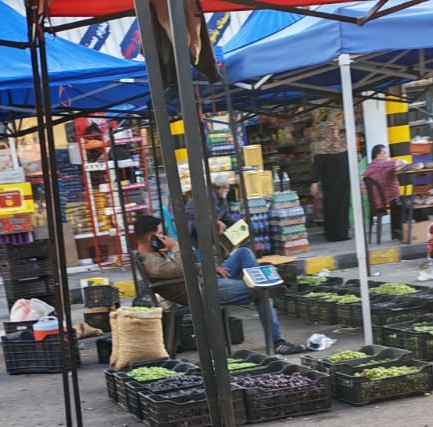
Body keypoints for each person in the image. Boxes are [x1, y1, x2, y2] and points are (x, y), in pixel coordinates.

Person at [132, 214, 305, 355]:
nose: (165, 238)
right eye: (161, 235)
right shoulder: (152, 263)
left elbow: (185, 268)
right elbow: (182, 268)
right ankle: (277, 341)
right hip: (203, 292)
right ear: (150, 238)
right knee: (261, 291)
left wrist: (209, 267)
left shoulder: (154, 256)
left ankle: (257, 281)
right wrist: (175, 246)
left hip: (205, 281)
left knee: (244, 253)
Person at [310, 106, 352, 243]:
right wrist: (314, 182)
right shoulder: (325, 148)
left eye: (335, 129)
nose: (336, 131)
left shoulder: (339, 145)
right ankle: (335, 234)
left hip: (339, 184)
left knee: (339, 207)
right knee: (334, 207)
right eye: (333, 129)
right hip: (334, 183)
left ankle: (338, 233)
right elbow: (317, 167)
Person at [363, 144, 403, 238]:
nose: (387, 156)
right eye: (384, 153)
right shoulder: (382, 165)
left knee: (398, 202)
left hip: (376, 203)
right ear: (377, 155)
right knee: (410, 204)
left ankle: (397, 232)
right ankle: (407, 232)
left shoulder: (369, 168)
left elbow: (364, 190)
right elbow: (401, 162)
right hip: (388, 201)